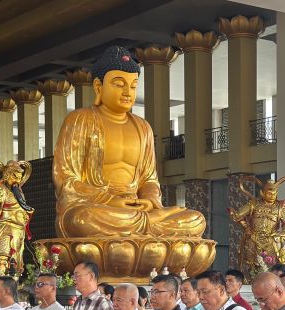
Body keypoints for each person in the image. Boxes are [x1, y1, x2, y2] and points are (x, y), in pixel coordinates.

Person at [53, 45, 205, 239]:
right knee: (82, 220)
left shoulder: (143, 128)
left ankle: (142, 227)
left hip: (136, 211)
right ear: (99, 87)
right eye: (119, 84)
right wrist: (109, 200)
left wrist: (149, 200)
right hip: (100, 209)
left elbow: (149, 179)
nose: (127, 92)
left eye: (133, 86)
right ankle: (146, 229)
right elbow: (65, 178)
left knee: (196, 219)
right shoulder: (80, 119)